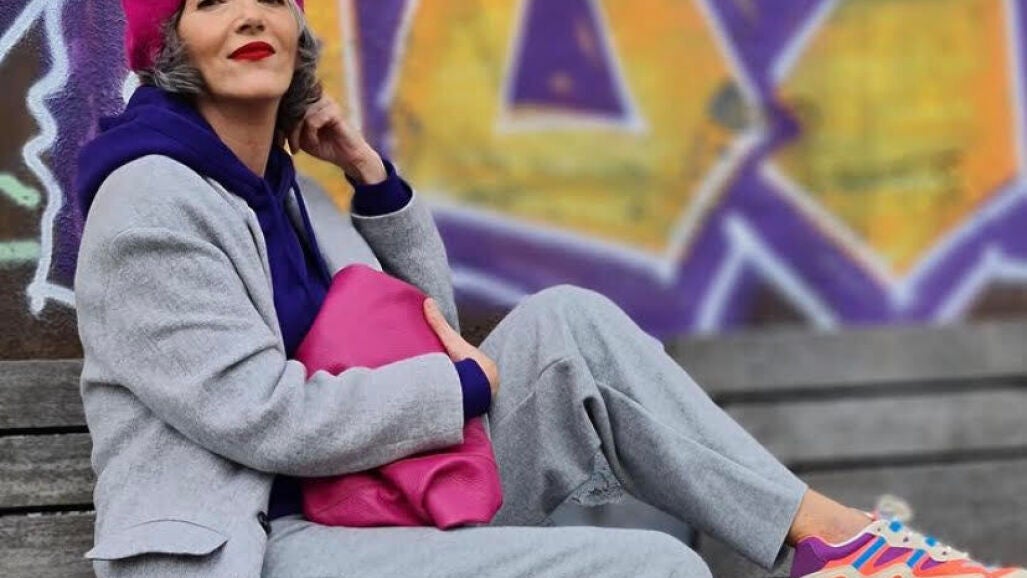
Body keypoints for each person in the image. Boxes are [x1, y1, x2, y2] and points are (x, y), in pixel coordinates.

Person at [72, 1, 1025, 577]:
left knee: (568, 321)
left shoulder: (288, 195)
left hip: (367, 496)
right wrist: (463, 387)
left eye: (270, 0)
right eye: (213, 3)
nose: (250, 17)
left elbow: (423, 326)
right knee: (650, 566)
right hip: (260, 546)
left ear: (297, 34)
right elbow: (260, 416)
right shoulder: (151, 201)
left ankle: (836, 543)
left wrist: (370, 179)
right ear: (170, 49)